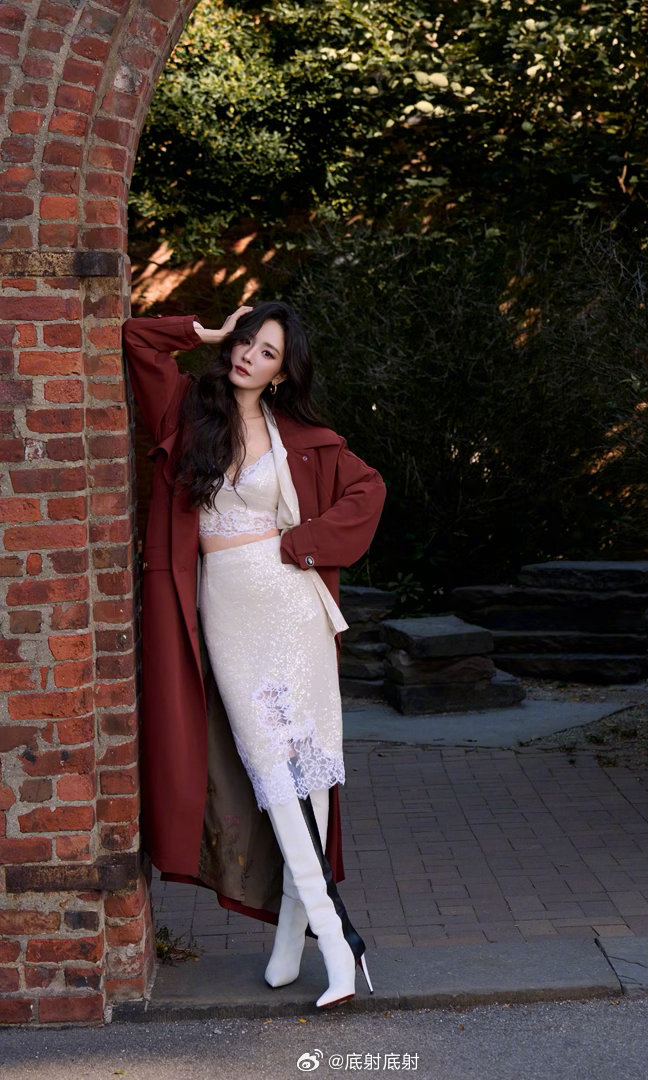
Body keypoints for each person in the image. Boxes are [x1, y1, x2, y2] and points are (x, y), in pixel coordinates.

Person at [121, 302, 386, 1009]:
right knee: (272, 767)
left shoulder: (296, 435)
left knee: (310, 765)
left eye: (266, 351)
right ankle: (337, 940)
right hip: (230, 613)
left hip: (293, 605)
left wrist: (303, 545)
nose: (247, 356)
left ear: (281, 373)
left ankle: (299, 940)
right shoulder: (189, 409)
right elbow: (139, 339)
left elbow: (368, 488)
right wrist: (203, 332)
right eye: (244, 341)